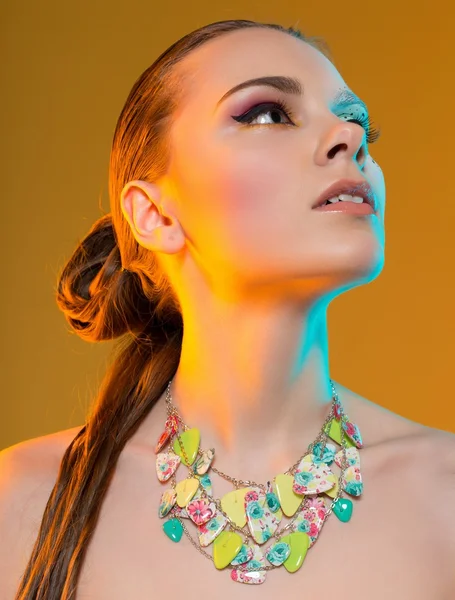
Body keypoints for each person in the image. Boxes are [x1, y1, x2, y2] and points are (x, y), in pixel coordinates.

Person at [0, 18, 454, 600]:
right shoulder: (26, 503)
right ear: (156, 217)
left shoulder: (445, 497)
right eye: (266, 113)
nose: (349, 137)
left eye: (359, 122)